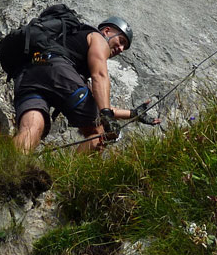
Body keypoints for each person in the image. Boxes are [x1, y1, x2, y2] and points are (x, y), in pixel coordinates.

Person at [12, 15, 158, 152]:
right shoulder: (97, 37)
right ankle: (71, 177)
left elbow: (95, 104)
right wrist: (105, 117)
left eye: (124, 48)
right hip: (59, 72)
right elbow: (99, 76)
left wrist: (132, 114)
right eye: (121, 41)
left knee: (32, 129)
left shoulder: (71, 50)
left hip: (29, 73)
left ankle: (7, 171)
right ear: (107, 31)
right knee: (98, 131)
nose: (120, 49)